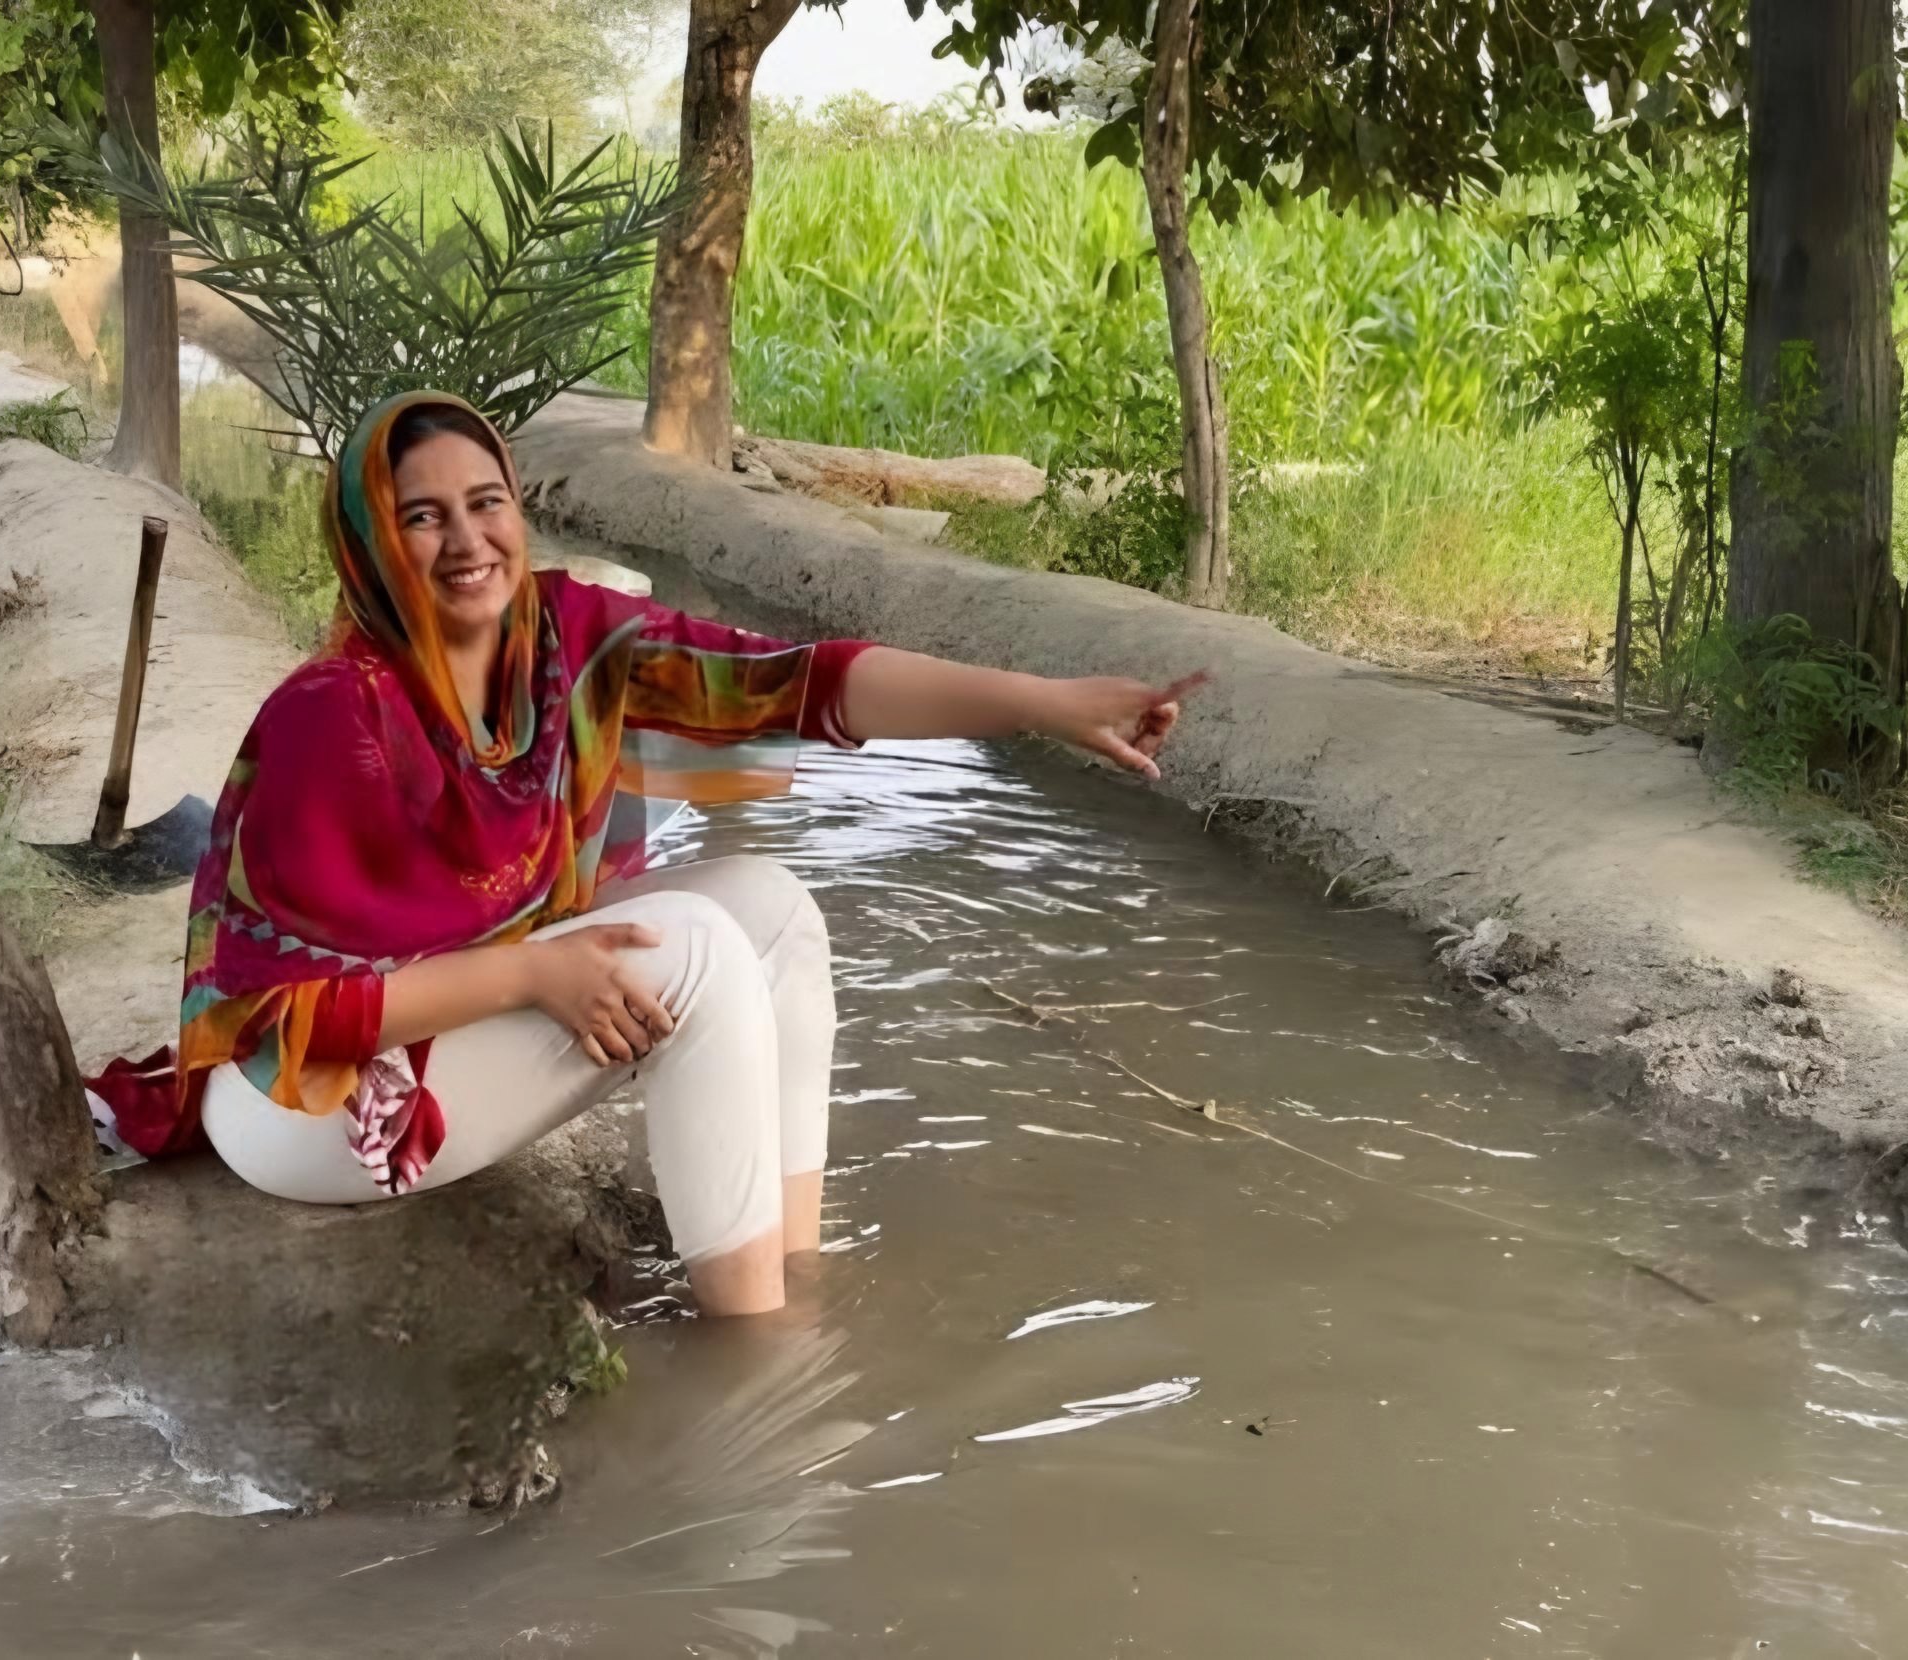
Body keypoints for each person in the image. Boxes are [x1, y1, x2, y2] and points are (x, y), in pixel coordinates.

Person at [88, 391, 1200, 1317]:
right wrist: (532, 974)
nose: (468, 541)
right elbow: (283, 1016)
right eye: (422, 516)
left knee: (773, 908)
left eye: (486, 502)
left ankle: (792, 1271)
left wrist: (1043, 705)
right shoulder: (332, 719)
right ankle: (757, 1365)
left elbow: (800, 683)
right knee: (698, 947)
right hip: (300, 1108)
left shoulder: (567, 642)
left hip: (442, 1019)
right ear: (372, 545)